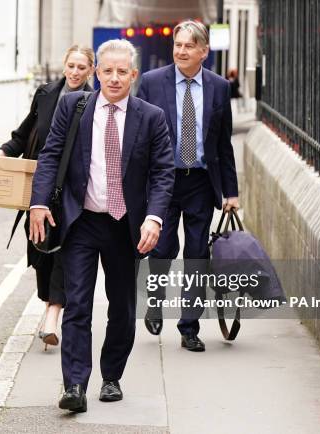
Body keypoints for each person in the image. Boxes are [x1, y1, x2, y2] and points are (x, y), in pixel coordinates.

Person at [29, 39, 174, 413]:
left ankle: (111, 376)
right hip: (82, 221)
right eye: (106, 71)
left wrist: (154, 218)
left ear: (133, 76)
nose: (113, 78)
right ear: (97, 73)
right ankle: (75, 384)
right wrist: (39, 202)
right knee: (77, 304)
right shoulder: (73, 107)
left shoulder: (151, 117)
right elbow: (50, 155)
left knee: (122, 307)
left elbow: (162, 173)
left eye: (121, 72)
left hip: (125, 226)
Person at [137, 20, 239, 351]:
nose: (181, 51)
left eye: (188, 46)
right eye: (178, 45)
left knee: (197, 254)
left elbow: (224, 145)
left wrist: (231, 192)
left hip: (199, 181)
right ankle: (155, 301)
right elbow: (137, 137)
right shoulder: (152, 83)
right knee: (163, 249)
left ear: (203, 52)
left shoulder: (220, 87)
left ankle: (189, 326)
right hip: (162, 180)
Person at [0, 45, 95, 350]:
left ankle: (53, 314)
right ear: (64, 66)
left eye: (82, 67)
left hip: (72, 190)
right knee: (41, 250)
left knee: (65, 249)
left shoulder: (93, 101)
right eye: (72, 66)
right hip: (41, 187)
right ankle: (49, 306)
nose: (76, 72)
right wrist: (2, 155)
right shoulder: (46, 93)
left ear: (91, 70)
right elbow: (24, 133)